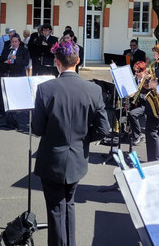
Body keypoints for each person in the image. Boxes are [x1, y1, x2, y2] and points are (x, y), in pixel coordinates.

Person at [32, 40, 110, 246]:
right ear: (78, 61)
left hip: (51, 159)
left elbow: (37, 129)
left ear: (56, 62)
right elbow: (103, 129)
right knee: (69, 204)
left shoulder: (45, 89)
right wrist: (83, 139)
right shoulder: (93, 90)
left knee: (56, 209)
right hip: (77, 158)